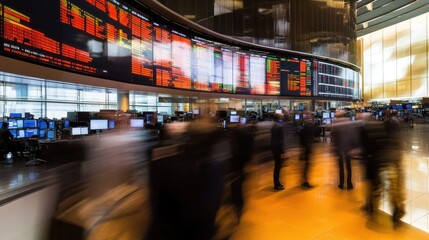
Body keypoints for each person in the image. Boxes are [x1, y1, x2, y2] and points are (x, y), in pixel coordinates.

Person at [298, 116, 315, 189]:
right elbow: (306, 139)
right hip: (306, 149)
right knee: (307, 165)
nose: (311, 119)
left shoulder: (304, 127)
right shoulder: (307, 128)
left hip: (305, 148)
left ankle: (304, 180)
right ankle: (305, 181)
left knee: (306, 165)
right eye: (309, 118)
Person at [271, 114, 286, 190]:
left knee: (276, 167)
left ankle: (277, 183)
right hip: (278, 150)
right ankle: (277, 185)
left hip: (274, 149)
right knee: (278, 167)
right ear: (279, 118)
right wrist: (282, 152)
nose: (283, 118)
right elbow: (281, 141)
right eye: (281, 117)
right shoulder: (280, 127)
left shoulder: (273, 126)